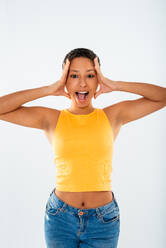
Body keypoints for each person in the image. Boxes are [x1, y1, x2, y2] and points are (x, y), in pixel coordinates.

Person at [0, 48, 165, 248]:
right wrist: (48, 89)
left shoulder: (112, 116)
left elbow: (162, 97)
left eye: (90, 75)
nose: (82, 83)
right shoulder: (51, 118)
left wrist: (115, 85)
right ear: (65, 81)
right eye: (74, 76)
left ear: (98, 81)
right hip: (60, 219)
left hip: (103, 221)